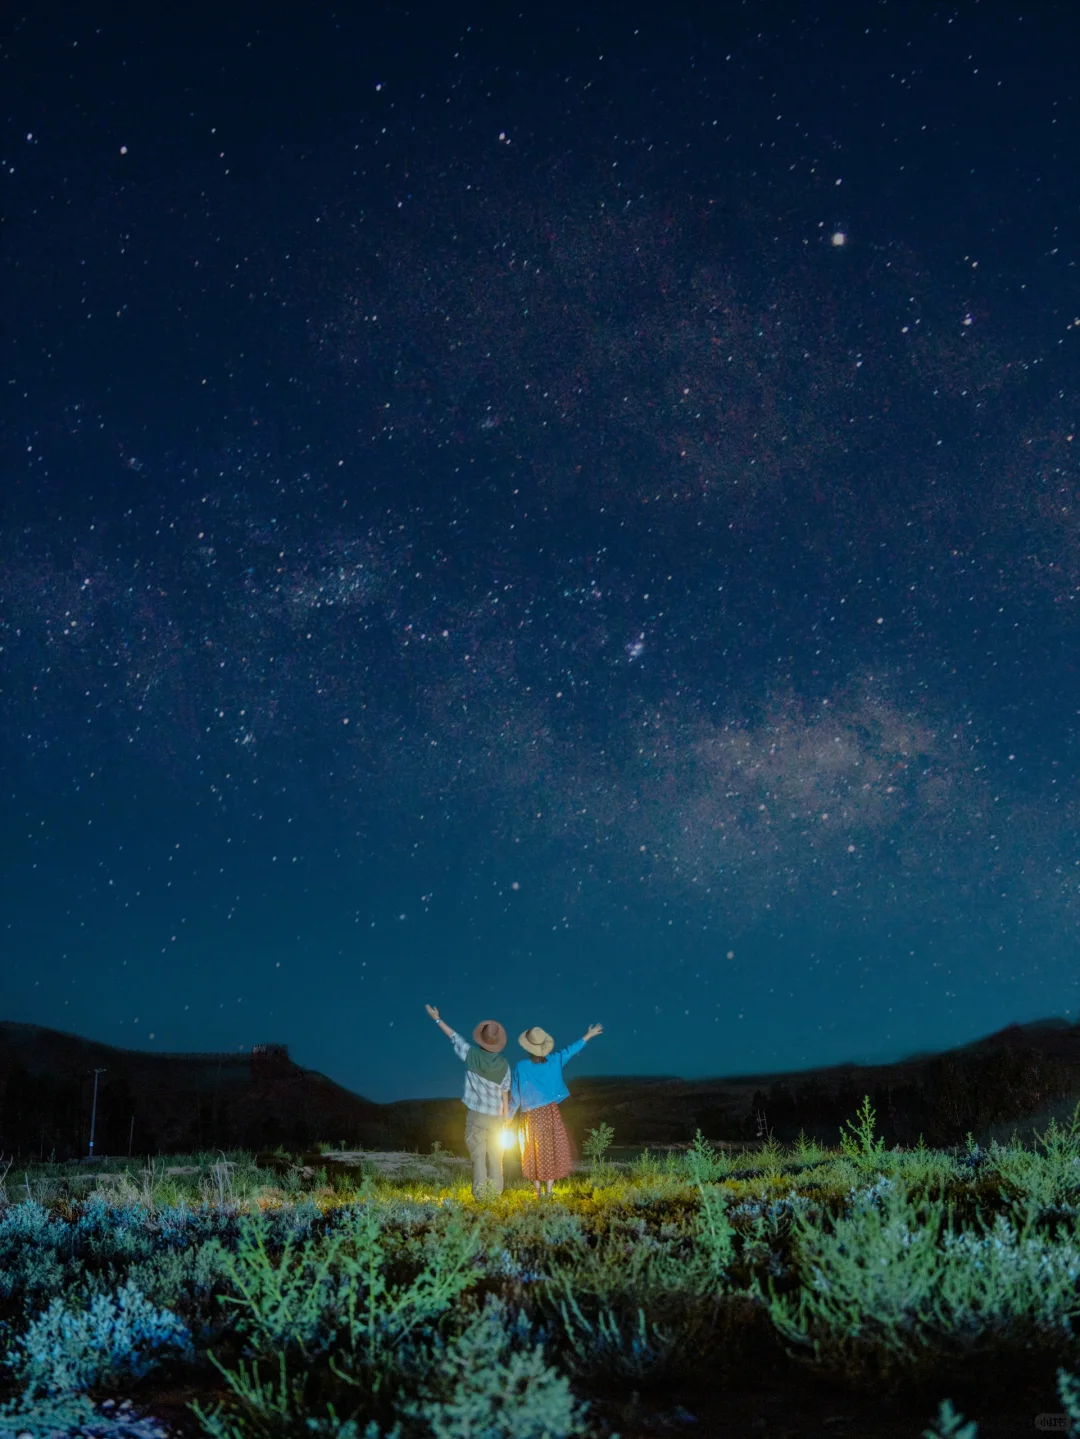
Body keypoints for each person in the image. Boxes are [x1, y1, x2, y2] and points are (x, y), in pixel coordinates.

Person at [425, 1003, 510, 1198]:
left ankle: (481, 1195)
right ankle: (495, 1194)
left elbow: (454, 1037)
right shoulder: (504, 1065)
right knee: (496, 1157)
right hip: (496, 1116)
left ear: (482, 1040)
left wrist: (436, 1018)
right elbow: (505, 1092)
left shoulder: (471, 1055)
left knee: (478, 1156)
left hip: (477, 1116)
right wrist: (506, 1117)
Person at [510, 1022, 603, 1197]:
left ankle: (537, 1192)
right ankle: (549, 1191)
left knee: (532, 1151)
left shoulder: (521, 1066)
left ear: (529, 1047)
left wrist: (507, 1118)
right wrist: (588, 1035)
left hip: (530, 1115)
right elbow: (571, 1050)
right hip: (549, 1112)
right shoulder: (554, 1060)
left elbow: (514, 1097)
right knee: (549, 1150)